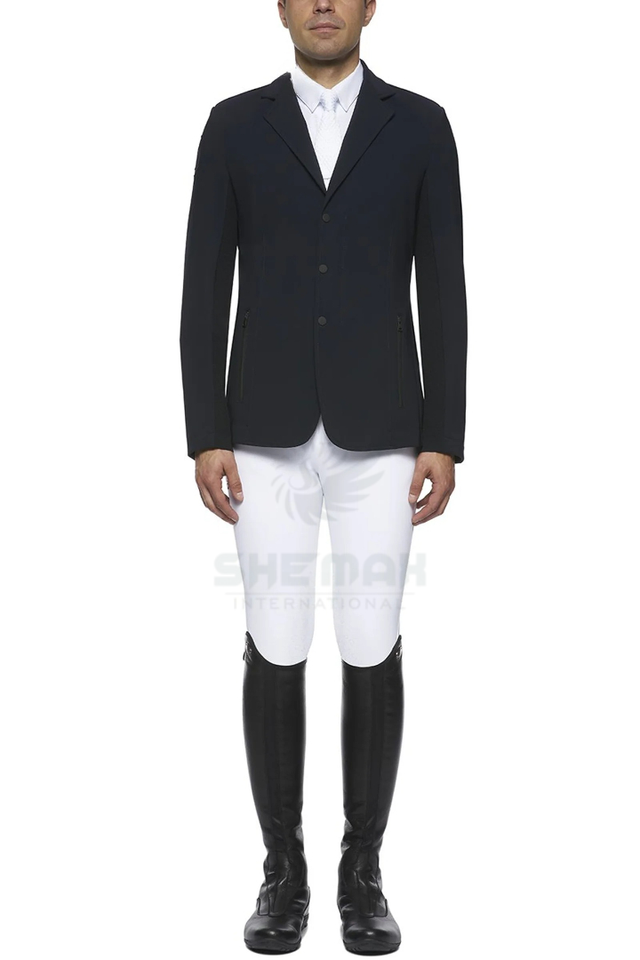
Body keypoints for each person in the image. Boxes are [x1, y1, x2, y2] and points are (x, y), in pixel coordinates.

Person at [179, 0, 467, 953]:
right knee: (276, 637)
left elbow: (444, 284)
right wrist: (205, 430)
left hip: (382, 431)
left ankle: (362, 872)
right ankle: (282, 871)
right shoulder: (233, 124)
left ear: (371, 4)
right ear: (281, 6)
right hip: (261, 432)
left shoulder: (420, 125)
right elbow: (203, 282)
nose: (324, 4)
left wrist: (444, 433)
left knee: (372, 637)